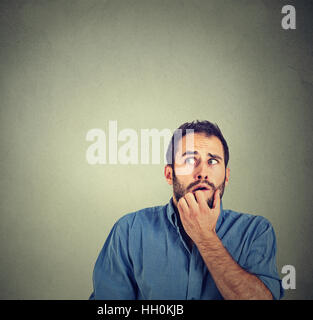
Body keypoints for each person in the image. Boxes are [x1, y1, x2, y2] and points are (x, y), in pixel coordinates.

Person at [89, 120, 283, 300]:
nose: (202, 173)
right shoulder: (129, 231)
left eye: (213, 161)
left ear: (226, 176)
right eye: (190, 160)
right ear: (169, 174)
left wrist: (205, 237)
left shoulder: (256, 231)